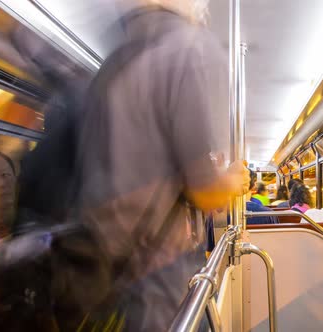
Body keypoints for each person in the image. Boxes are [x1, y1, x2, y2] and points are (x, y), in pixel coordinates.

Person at [70, 2, 249, 331]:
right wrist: (235, 178)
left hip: (102, 270)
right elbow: (207, 192)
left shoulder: (110, 66)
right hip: (160, 271)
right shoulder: (191, 50)